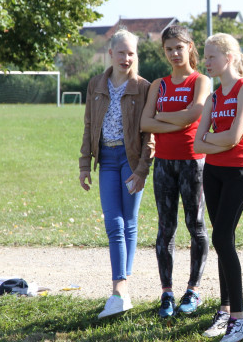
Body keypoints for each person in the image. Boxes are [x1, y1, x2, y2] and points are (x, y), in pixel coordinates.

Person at [79, 29, 154, 319]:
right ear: (111, 53)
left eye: (131, 53)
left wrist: (142, 169)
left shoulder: (144, 87)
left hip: (131, 159)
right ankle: (120, 290)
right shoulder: (96, 85)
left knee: (129, 222)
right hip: (107, 161)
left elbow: (149, 135)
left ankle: (120, 290)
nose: (126, 58)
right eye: (121, 52)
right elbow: (89, 125)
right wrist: (84, 164)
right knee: (114, 223)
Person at [194, 33, 243, 342]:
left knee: (221, 237)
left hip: (239, 172)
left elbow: (234, 138)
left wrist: (211, 139)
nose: (206, 62)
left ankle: (240, 318)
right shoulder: (213, 97)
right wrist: (214, 140)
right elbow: (197, 143)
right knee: (223, 240)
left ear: (229, 57)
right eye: (205, 56)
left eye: (211, 56)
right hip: (214, 172)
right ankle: (225, 311)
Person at [140, 25, 210, 318]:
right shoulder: (159, 84)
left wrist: (162, 117)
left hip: (193, 162)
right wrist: (176, 120)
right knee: (165, 228)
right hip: (164, 164)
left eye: (179, 47)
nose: (174, 54)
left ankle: (193, 290)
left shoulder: (201, 80)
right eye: (169, 49)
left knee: (196, 226)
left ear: (189, 46)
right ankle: (167, 293)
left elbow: (194, 114)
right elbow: (145, 123)